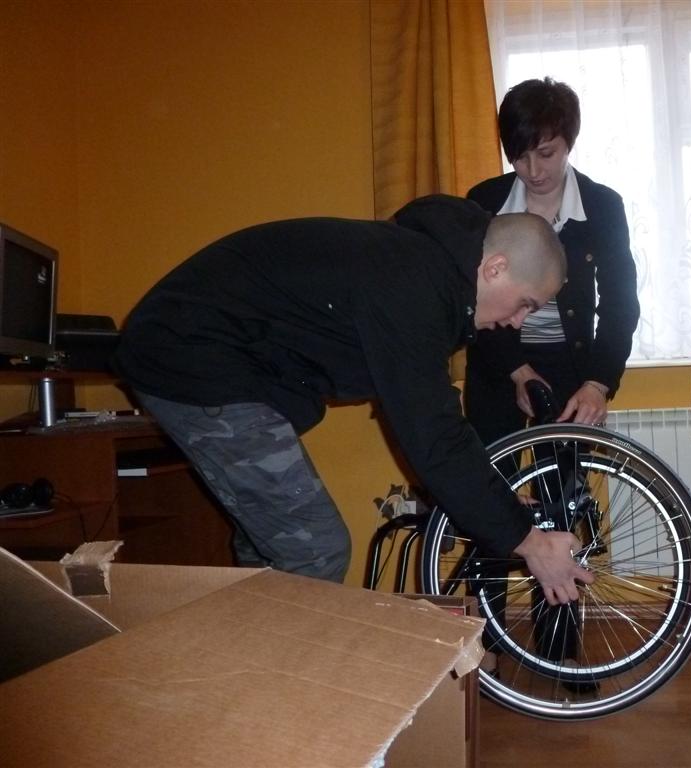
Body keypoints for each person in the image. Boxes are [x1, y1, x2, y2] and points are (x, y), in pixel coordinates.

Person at [112, 195, 593, 606]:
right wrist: (530, 542)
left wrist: (495, 501)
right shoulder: (415, 283)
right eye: (526, 304)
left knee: (275, 542)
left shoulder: (426, 273)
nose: (518, 322)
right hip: (189, 356)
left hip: (217, 361)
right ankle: (279, 680)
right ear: (496, 268)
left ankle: (246, 664)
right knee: (316, 548)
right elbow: (434, 433)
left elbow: (426, 418)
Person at [464, 77, 640, 675]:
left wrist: (598, 383)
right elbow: (471, 299)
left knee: (562, 506)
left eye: (546, 153)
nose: (533, 170)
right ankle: (481, 649)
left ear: (569, 143)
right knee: (486, 499)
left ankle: (559, 653)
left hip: (571, 371)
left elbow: (621, 304)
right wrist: (514, 369)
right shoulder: (484, 200)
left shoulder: (603, 206)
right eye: (519, 155)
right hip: (497, 363)